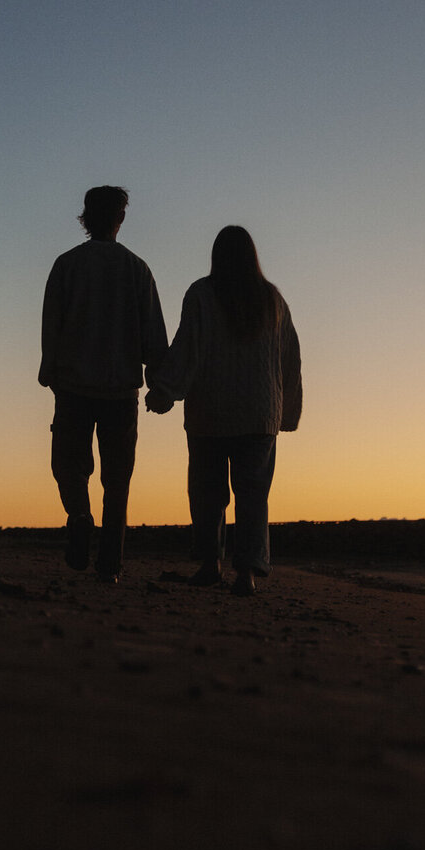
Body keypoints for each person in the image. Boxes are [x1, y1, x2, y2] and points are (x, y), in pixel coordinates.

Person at [146, 226, 301, 597]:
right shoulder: (272, 299)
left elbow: (188, 346)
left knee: (207, 493)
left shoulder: (202, 293)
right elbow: (289, 361)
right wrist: (288, 412)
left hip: (210, 412)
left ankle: (209, 564)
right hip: (259, 414)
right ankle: (246, 572)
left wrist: (165, 389)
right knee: (252, 495)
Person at [39, 186, 168, 582]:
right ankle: (110, 563)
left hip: (75, 387)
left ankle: (79, 516)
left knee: (68, 465)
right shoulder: (137, 269)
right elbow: (154, 336)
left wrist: (50, 369)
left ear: (85, 217)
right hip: (120, 392)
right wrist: (159, 382)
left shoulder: (67, 265)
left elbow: (52, 324)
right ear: (120, 219)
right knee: (117, 480)